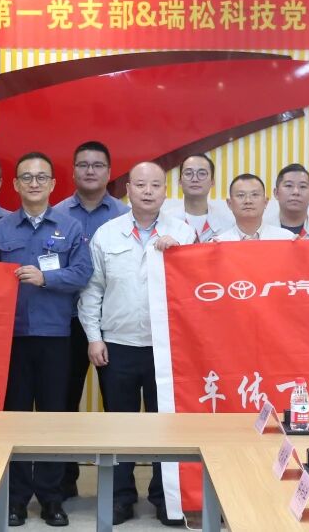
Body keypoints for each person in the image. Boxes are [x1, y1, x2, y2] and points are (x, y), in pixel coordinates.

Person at [79, 162, 193, 526]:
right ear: (128, 189)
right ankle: (121, 498)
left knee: (166, 427)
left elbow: (196, 289)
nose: (148, 191)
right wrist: (94, 338)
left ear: (165, 191)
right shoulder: (107, 233)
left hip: (166, 349)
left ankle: (165, 499)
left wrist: (181, 256)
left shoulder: (183, 232)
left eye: (155, 185)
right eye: (140, 185)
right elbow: (92, 290)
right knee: (120, 426)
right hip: (118, 345)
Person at [0, 152, 92, 528]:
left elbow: (83, 273)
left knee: (53, 417)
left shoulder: (70, 227)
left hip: (55, 337)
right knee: (14, 418)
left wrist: (47, 278)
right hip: (12, 338)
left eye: (41, 177)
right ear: (15, 184)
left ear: (52, 184)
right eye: (27, 177)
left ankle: (51, 499)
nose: (34, 183)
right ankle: (16, 499)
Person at [52, 140, 129, 498]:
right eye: (83, 164)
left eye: (97, 165)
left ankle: (118, 491)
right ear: (73, 172)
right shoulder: (55, 214)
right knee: (64, 403)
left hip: (111, 325)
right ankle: (62, 484)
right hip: (65, 323)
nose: (90, 171)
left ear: (109, 172)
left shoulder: (124, 216)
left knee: (118, 406)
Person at [162, 153, 233, 242]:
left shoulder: (229, 223)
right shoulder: (163, 221)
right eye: (188, 173)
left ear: (212, 182)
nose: (195, 179)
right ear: (180, 182)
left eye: (202, 174)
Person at [215, 174, 297, 241]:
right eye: (241, 195)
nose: (248, 201)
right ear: (229, 204)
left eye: (254, 194)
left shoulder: (286, 238)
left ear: (265, 202)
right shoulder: (219, 244)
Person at [269, 163, 309, 238]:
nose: (296, 192)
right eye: (289, 185)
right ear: (276, 193)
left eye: (302, 186)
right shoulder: (261, 231)